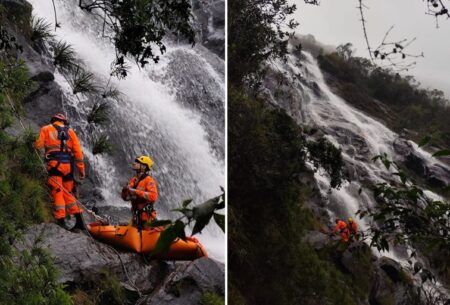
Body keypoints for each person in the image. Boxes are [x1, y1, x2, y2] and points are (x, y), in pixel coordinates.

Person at [34, 113, 86, 231]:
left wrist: (32, 143)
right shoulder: (70, 132)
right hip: (68, 167)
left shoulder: (46, 129)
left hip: (54, 166)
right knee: (68, 193)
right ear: (63, 122)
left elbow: (38, 146)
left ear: (53, 120)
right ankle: (79, 221)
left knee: (57, 191)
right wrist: (82, 170)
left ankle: (61, 220)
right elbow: (78, 153)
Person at [122, 155, 158, 228]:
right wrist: (124, 191)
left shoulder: (149, 180)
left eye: (138, 162)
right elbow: (125, 198)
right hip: (136, 217)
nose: (134, 163)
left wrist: (135, 191)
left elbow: (153, 196)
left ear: (144, 167)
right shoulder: (133, 180)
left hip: (147, 219)